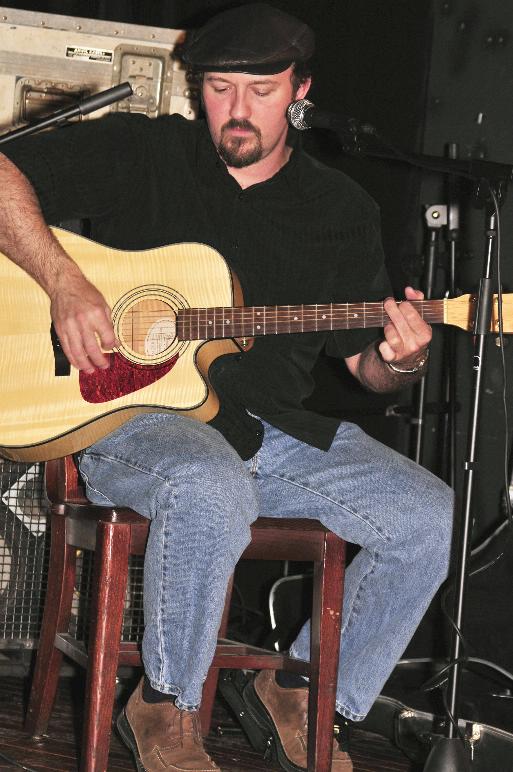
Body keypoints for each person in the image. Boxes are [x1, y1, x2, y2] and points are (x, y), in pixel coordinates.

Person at [0, 4, 454, 771]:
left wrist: (402, 360)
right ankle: (165, 707)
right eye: (219, 88)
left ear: (300, 92)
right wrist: (64, 281)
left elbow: (364, 367)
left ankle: (306, 691)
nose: (237, 109)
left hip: (271, 433)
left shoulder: (340, 210)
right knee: (211, 481)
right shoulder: (146, 151)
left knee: (426, 514)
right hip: (129, 419)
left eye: (261, 90)